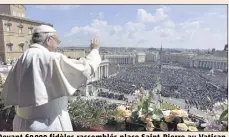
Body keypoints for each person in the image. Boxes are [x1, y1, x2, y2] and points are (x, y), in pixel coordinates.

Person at [1, 25, 101, 131]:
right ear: (49, 40)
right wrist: (95, 50)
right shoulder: (50, 58)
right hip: (48, 125)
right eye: (57, 41)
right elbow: (84, 69)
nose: (57, 46)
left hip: (21, 124)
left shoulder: (21, 59)